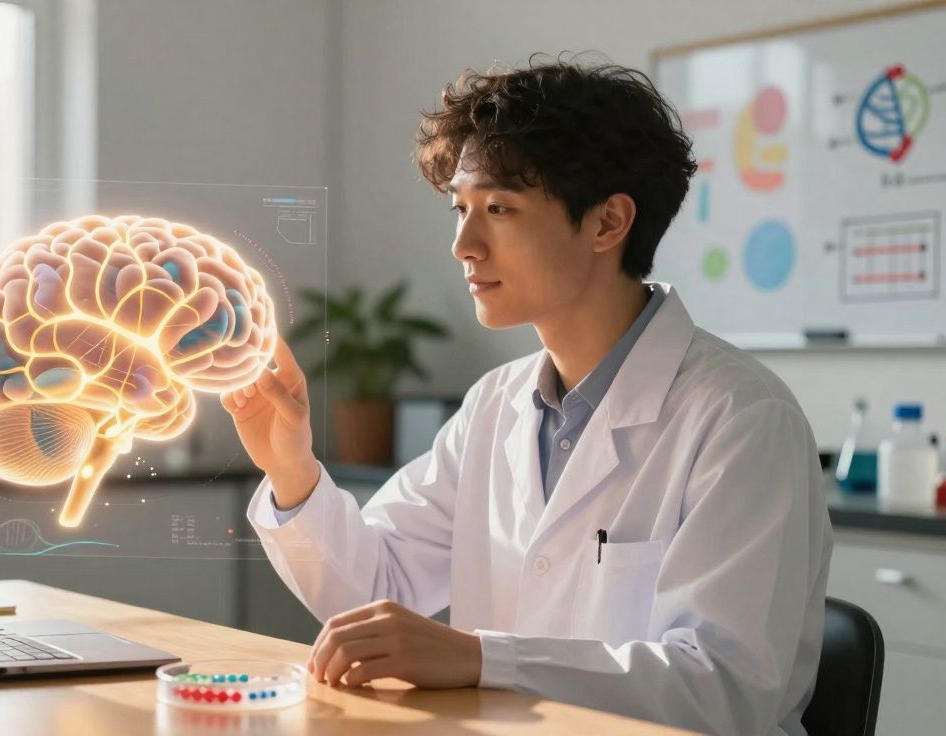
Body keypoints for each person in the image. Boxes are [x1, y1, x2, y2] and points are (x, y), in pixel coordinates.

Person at [220, 56, 832, 736]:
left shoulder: (741, 419)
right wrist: (291, 468)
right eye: (460, 209)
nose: (463, 244)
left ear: (608, 223)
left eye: (499, 209)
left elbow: (725, 689)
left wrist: (484, 659)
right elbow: (377, 590)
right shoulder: (496, 405)